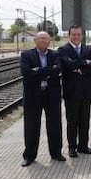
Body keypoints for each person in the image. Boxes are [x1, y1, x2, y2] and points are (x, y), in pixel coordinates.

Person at [19, 31, 65, 166]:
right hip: (33, 96)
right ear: (35, 40)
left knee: (55, 125)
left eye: (46, 39)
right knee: (31, 126)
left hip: (52, 95)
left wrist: (38, 70)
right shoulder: (26, 55)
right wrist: (48, 72)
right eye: (41, 38)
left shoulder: (55, 54)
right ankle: (29, 156)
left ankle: (56, 153)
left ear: (49, 41)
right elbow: (26, 73)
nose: (44, 41)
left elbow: (58, 71)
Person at [58, 25, 91, 158]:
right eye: (74, 34)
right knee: (72, 120)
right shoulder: (63, 50)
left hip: (87, 91)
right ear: (69, 35)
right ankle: (72, 147)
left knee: (85, 119)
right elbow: (66, 65)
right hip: (71, 91)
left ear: (82, 35)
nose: (76, 37)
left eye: (79, 34)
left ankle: (83, 145)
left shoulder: (89, 49)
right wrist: (84, 62)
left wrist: (78, 67)